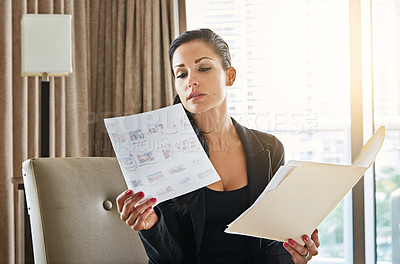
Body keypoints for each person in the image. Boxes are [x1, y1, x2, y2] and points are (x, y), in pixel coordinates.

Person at [116, 28, 320, 264]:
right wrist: (151, 226)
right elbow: (169, 260)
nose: (190, 80)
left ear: (230, 76)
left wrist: (296, 254)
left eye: (203, 68)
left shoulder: (270, 149)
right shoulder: (163, 152)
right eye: (181, 74)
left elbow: (271, 250)